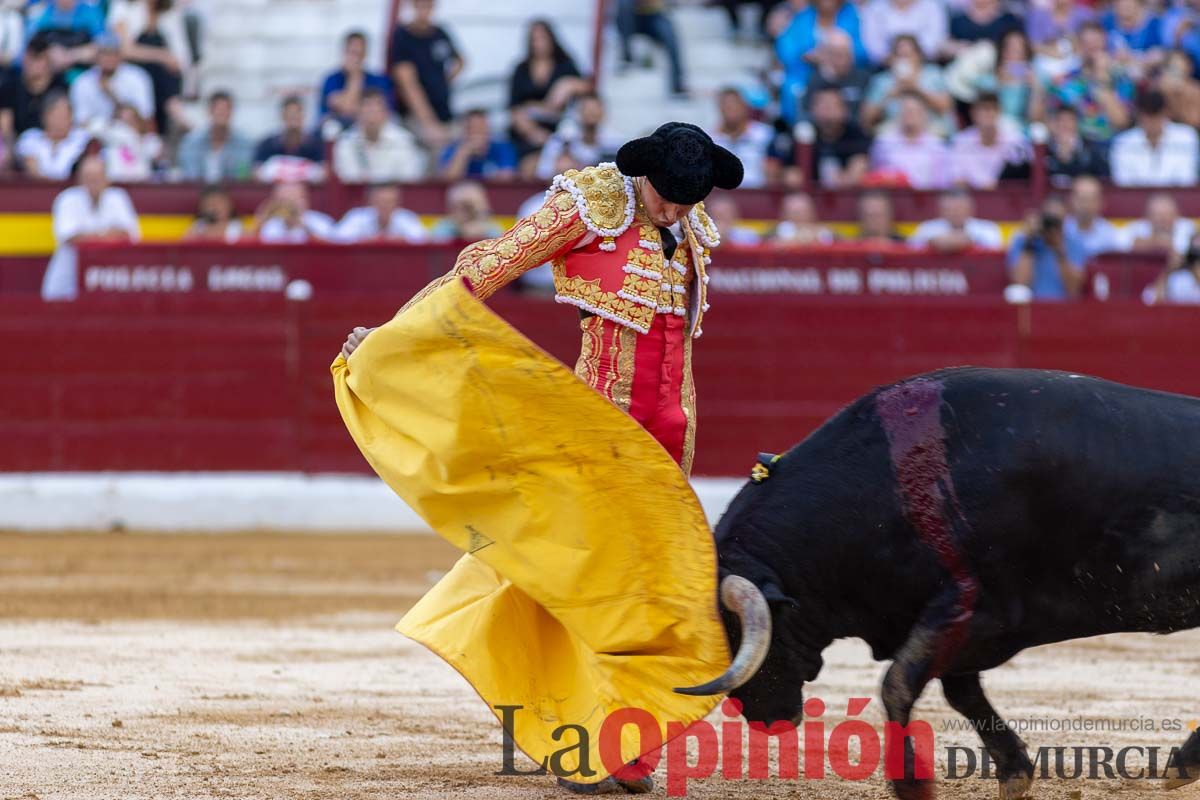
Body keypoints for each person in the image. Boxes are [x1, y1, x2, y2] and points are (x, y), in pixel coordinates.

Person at [341, 123, 743, 508]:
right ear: (644, 175)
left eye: (684, 204)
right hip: (607, 407)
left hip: (678, 413)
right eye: (665, 198)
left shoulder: (694, 224)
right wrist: (393, 332)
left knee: (666, 536)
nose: (673, 214)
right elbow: (493, 264)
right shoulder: (591, 203)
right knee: (593, 531)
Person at [43, 153, 140, 301]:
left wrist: (89, 236)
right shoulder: (67, 199)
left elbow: (129, 235)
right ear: (80, 179)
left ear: (107, 179)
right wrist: (108, 235)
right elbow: (70, 238)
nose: (93, 182)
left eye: (97, 177)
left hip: (108, 279)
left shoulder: (118, 197)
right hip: (68, 279)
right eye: (88, 177)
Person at [507, 19, 587, 176]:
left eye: (542, 38)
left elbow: (588, 89)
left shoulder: (564, 65)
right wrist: (533, 132)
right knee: (529, 166)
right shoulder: (521, 69)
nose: (538, 44)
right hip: (529, 136)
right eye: (534, 39)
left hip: (562, 131)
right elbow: (513, 107)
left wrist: (567, 84)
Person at [1032, 21, 1134, 144]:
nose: (1092, 50)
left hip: (1111, 146)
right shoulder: (1066, 80)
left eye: (1096, 44)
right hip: (1075, 148)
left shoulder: (1121, 78)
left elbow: (1121, 122)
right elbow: (1043, 118)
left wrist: (1102, 77)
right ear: (1079, 46)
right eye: (1087, 44)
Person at [107, 0, 193, 136]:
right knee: (153, 72)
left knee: (163, 72)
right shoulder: (123, 6)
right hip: (132, 68)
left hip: (162, 76)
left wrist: (170, 60)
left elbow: (181, 55)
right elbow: (125, 50)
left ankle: (171, 106)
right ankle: (172, 106)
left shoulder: (170, 12)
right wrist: (161, 55)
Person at [774, 0, 867, 123]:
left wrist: (837, 56)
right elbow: (785, 47)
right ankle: (797, 127)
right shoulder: (804, 17)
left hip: (843, 73)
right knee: (792, 88)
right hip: (806, 71)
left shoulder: (850, 14)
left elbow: (861, 50)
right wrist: (807, 55)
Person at [389, 0, 462, 148]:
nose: (425, 9)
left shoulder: (440, 33)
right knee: (438, 148)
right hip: (416, 117)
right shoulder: (403, 36)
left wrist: (445, 82)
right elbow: (408, 85)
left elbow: (459, 61)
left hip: (445, 113)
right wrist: (429, 123)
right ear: (414, 5)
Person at [860, 35, 953, 135]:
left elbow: (946, 107)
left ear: (919, 56)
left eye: (908, 55)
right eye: (900, 56)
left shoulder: (933, 74)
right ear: (891, 59)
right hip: (895, 133)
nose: (905, 61)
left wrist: (916, 89)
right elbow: (866, 119)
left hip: (932, 131)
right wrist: (888, 96)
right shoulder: (882, 81)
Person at [1109, 88, 1199, 186]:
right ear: (1139, 115)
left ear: (1165, 113)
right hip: (1135, 199)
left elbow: (1186, 179)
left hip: (1178, 199)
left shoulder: (1186, 137)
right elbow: (1123, 183)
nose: (1152, 122)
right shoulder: (1123, 142)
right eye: (1147, 116)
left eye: (1156, 115)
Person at [333, 88, 425, 183]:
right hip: (357, 197)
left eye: (377, 107)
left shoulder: (403, 140)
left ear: (386, 112)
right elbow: (348, 179)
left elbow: (410, 178)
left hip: (396, 196)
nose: (372, 112)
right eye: (367, 107)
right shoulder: (345, 143)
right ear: (357, 112)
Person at [0, 38, 67, 166]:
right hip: (18, 141)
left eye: (37, 58)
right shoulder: (11, 84)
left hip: (50, 140)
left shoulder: (59, 85)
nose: (31, 63)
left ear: (48, 62)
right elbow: (5, 123)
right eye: (28, 57)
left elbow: (61, 118)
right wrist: (9, 147)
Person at [1006, 196, 1087, 300]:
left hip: (1064, 309)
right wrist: (1029, 242)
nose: (1052, 226)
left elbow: (1074, 288)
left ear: (1065, 219)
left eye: (1056, 221)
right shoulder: (1024, 240)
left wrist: (1059, 250)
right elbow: (1020, 283)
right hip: (1031, 307)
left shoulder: (1075, 243)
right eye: (1049, 220)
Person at [68, 32, 155, 128]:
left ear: (120, 55)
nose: (109, 58)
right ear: (96, 56)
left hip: (129, 135)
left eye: (113, 53)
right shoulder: (83, 82)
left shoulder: (137, 76)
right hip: (95, 136)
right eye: (105, 53)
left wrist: (113, 97)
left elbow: (146, 119)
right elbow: (80, 121)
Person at [868, 91, 950, 188]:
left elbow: (942, 183)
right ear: (899, 114)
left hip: (926, 199)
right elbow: (876, 174)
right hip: (893, 197)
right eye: (907, 111)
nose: (910, 115)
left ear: (924, 115)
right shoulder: (883, 142)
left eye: (915, 111)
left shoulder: (937, 146)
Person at [534, 92, 622, 180]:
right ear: (577, 112)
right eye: (586, 109)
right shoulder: (562, 139)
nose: (591, 112)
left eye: (595, 109)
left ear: (603, 112)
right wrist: (561, 169)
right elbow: (543, 172)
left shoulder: (616, 141)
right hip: (566, 189)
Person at [949, 91, 1029, 188]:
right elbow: (957, 181)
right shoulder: (960, 142)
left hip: (1006, 200)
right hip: (971, 200)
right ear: (973, 113)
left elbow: (1023, 178)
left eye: (993, 109)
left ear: (999, 112)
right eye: (983, 109)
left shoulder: (1015, 140)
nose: (989, 114)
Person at [319, 30, 392, 132]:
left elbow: (384, 112)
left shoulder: (378, 81)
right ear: (344, 52)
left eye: (359, 54)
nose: (356, 59)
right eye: (353, 53)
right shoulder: (331, 80)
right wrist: (354, 77)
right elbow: (347, 109)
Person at [177, 90, 254, 182]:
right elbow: (190, 177)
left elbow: (242, 177)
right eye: (219, 110)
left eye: (226, 109)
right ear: (209, 111)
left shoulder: (244, 144)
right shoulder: (191, 143)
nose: (222, 114)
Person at [616, 0, 688, 97]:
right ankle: (626, 56)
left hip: (654, 16)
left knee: (670, 36)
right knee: (624, 5)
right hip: (631, 17)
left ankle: (677, 84)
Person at [15, 90, 90, 180]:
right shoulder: (30, 138)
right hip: (39, 190)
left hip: (72, 192)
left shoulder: (82, 139)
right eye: (57, 115)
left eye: (65, 115)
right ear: (45, 116)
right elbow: (33, 172)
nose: (61, 121)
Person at [709, 87, 774, 188]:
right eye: (726, 106)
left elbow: (773, 168)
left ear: (745, 107)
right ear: (720, 108)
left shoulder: (764, 134)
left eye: (735, 105)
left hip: (757, 193)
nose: (731, 109)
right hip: (722, 196)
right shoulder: (710, 139)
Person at [908, 188, 1003, 251]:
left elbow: (994, 249)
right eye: (950, 209)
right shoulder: (926, 229)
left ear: (971, 209)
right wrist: (933, 242)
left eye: (960, 208)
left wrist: (967, 241)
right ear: (940, 210)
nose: (955, 213)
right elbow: (911, 250)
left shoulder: (988, 228)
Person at [860, 0, 948, 65]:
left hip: (925, 65)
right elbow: (873, 46)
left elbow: (935, 41)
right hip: (885, 67)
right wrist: (894, 61)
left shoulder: (932, 6)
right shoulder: (875, 8)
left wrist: (912, 59)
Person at [438, 109, 517, 180]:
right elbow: (447, 180)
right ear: (464, 131)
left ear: (489, 129)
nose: (477, 134)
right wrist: (463, 153)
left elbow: (507, 178)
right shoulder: (453, 149)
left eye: (481, 128)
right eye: (472, 128)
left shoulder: (502, 148)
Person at [335, 183, 428, 243]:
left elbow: (421, 240)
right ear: (371, 201)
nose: (385, 206)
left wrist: (396, 241)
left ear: (397, 203)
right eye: (381, 201)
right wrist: (367, 240)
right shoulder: (356, 216)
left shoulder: (407, 218)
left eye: (390, 201)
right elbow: (338, 238)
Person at [254, 95, 324, 170]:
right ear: (282, 116)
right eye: (290, 116)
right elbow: (257, 171)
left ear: (303, 116)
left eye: (296, 116)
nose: (293, 121)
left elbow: (323, 172)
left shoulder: (316, 146)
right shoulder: (267, 145)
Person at [254, 181, 335, 243]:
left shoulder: (320, 221)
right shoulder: (272, 223)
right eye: (287, 199)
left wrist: (305, 228)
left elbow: (333, 244)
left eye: (297, 198)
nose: (292, 204)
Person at [1043, 105, 1109, 181]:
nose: (1065, 124)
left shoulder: (1091, 147)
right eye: (1060, 120)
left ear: (1077, 123)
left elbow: (1101, 176)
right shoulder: (1043, 148)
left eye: (1070, 120)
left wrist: (1069, 158)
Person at [99, 102, 162, 181]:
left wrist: (137, 140)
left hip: (142, 182)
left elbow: (156, 156)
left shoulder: (151, 140)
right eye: (122, 121)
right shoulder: (111, 135)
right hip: (117, 181)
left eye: (131, 120)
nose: (126, 126)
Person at [1064, 175, 1122, 257]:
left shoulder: (1109, 234)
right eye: (1082, 199)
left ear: (1101, 202)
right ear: (1071, 200)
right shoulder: (1061, 229)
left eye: (1091, 200)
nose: (1086, 205)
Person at [1121, 192, 1196, 254]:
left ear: (1177, 215)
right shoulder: (1136, 227)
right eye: (1158, 215)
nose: (1163, 220)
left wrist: (1151, 243)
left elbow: (1184, 252)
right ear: (1148, 216)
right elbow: (1120, 246)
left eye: (1168, 214)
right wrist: (1158, 242)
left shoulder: (1187, 227)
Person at [429, 180, 502, 242]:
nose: (468, 212)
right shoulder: (443, 228)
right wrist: (460, 233)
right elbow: (439, 245)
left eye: (471, 205)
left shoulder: (492, 228)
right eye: (462, 206)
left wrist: (482, 233)